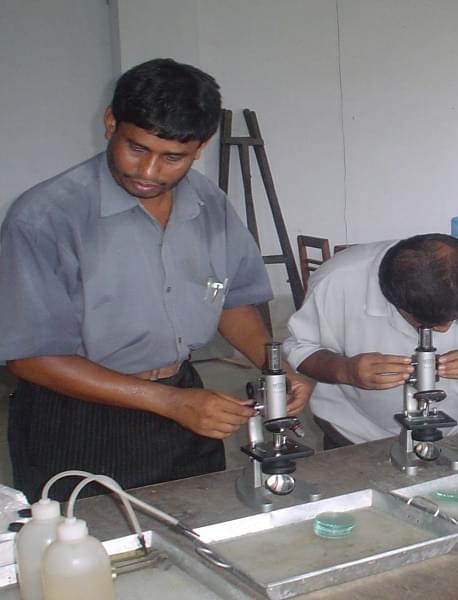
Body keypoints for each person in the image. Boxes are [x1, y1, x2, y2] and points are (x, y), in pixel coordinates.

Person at [0, 58, 311, 502]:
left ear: (201, 147)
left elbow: (229, 298)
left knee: (199, 520)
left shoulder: (208, 204)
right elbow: (30, 357)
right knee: (93, 536)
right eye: (136, 148)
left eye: (172, 158)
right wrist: (169, 403)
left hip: (184, 403)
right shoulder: (46, 218)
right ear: (111, 122)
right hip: (77, 417)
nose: (148, 172)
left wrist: (276, 368)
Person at [283, 233, 458, 448]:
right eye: (425, 324)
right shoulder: (337, 282)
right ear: (391, 296)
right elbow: (300, 347)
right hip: (356, 434)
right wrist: (345, 370)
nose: (444, 331)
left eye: (454, 318)